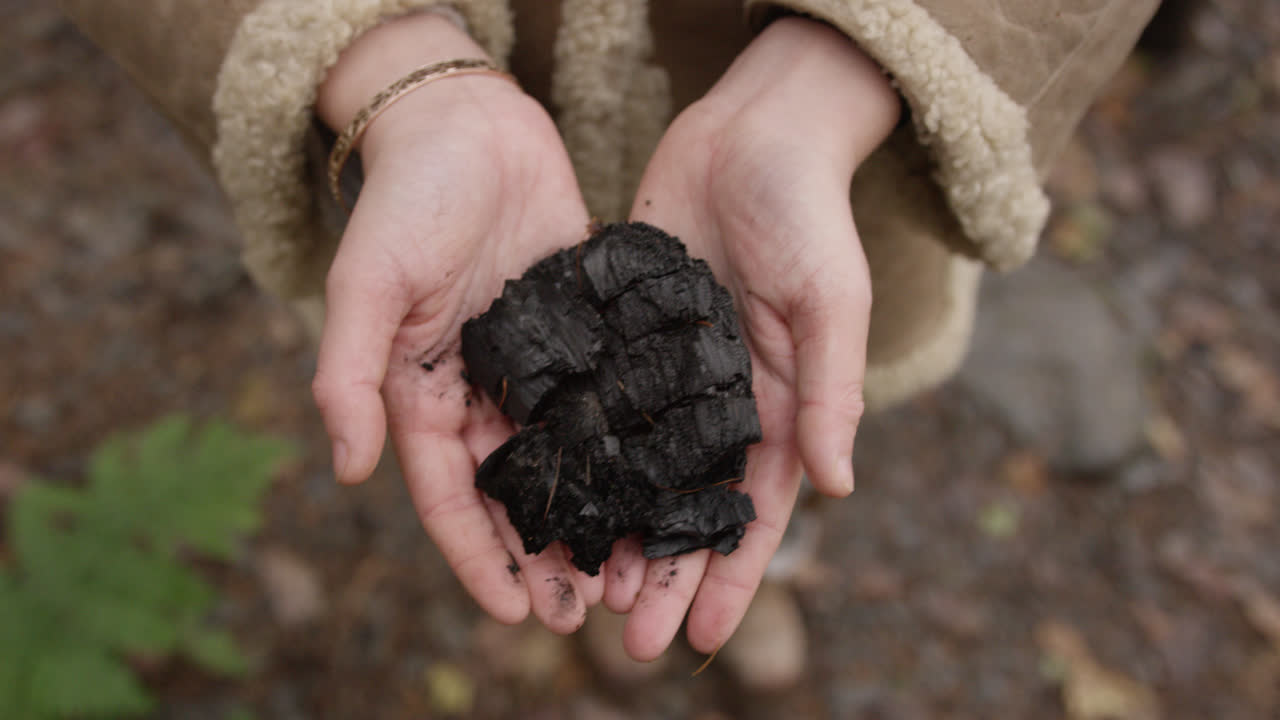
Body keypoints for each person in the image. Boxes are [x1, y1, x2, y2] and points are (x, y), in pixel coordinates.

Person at [59, 0, 1159, 670]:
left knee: (791, 427)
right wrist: (386, 67)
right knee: (648, 499)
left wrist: (830, 82)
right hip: (448, 166)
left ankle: (754, 580)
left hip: (840, 160)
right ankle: (619, 622)